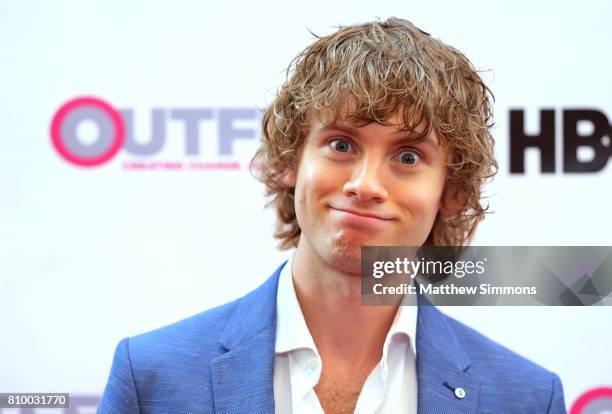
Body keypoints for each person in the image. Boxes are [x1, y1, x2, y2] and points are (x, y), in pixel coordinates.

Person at [98, 18, 567, 413]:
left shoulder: (526, 397)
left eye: (407, 157)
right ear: (288, 160)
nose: (365, 184)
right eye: (341, 144)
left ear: (452, 190)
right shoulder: (152, 378)